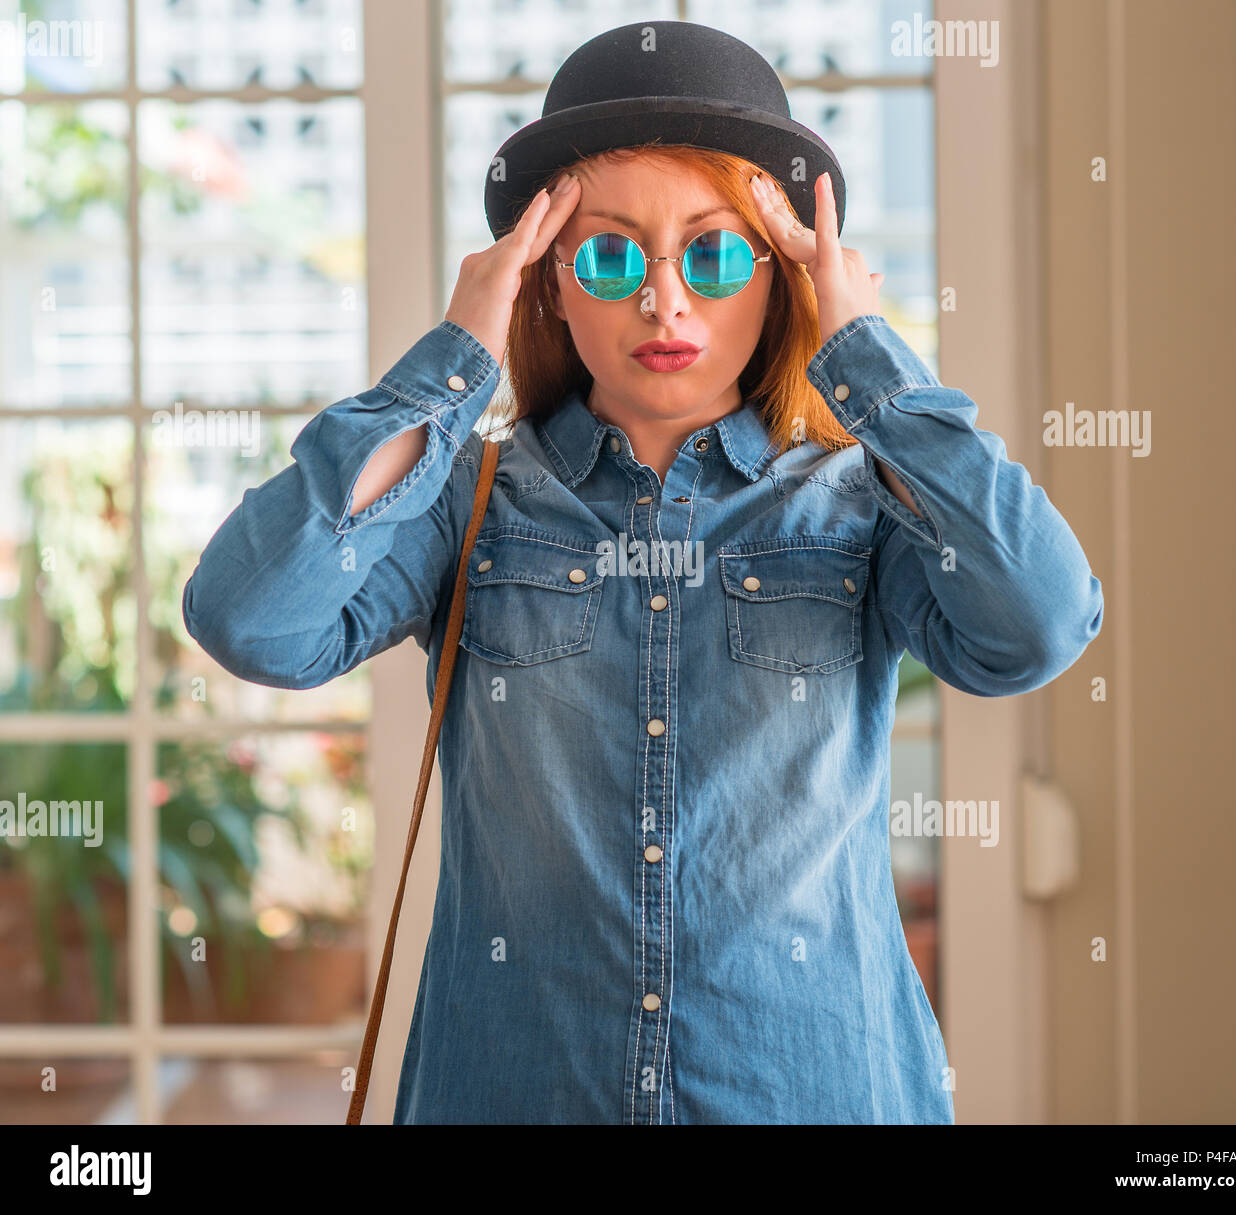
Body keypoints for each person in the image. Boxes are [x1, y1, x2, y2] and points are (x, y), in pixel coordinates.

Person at [183, 20, 1104, 1125]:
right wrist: (451, 366)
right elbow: (250, 620)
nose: (664, 303)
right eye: (611, 255)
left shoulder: (861, 503)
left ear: (780, 281)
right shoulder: (468, 504)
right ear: (547, 284)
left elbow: (1040, 625)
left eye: (714, 253)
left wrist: (862, 354)